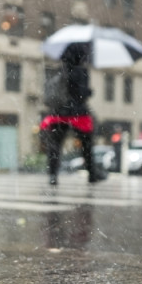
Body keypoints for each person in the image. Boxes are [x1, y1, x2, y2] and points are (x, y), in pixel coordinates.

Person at [40, 43, 103, 186]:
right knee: (86, 145)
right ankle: (91, 174)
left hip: (58, 113)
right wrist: (88, 92)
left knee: (55, 145)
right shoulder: (82, 72)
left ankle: (53, 175)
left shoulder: (59, 70)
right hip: (78, 114)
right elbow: (83, 95)